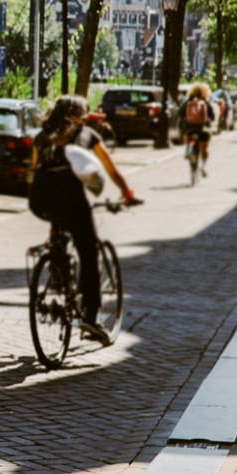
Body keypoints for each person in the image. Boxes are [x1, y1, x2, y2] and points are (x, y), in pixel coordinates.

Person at [31, 94, 142, 346]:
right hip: (71, 200)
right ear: (75, 116)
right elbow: (111, 169)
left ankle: (59, 272)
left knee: (60, 229)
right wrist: (127, 193)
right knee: (89, 252)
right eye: (84, 113)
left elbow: (34, 169)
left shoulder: (42, 137)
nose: (87, 117)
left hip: (39, 200)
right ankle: (91, 317)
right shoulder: (86, 136)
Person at [180, 82, 215, 173]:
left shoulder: (188, 101)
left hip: (189, 128)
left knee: (187, 137)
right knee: (205, 148)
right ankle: (203, 166)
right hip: (203, 129)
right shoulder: (205, 102)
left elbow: (180, 113)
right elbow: (212, 115)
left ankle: (188, 150)